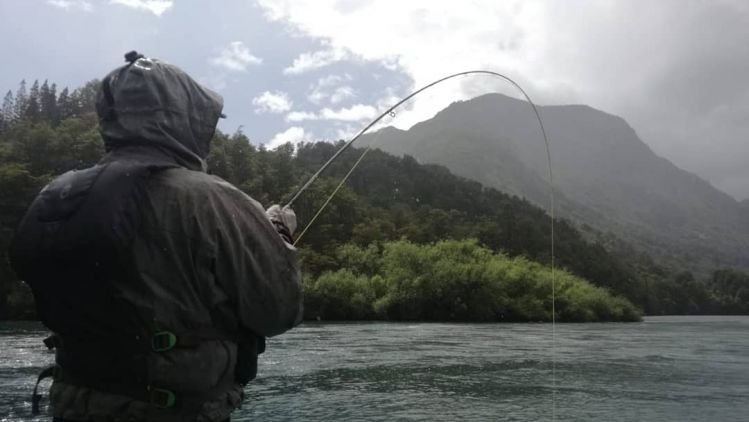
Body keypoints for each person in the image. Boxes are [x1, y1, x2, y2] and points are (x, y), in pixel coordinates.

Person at [10, 52, 303, 421]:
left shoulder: (57, 192)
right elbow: (278, 311)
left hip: (70, 404)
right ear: (186, 117)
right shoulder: (212, 199)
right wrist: (277, 233)